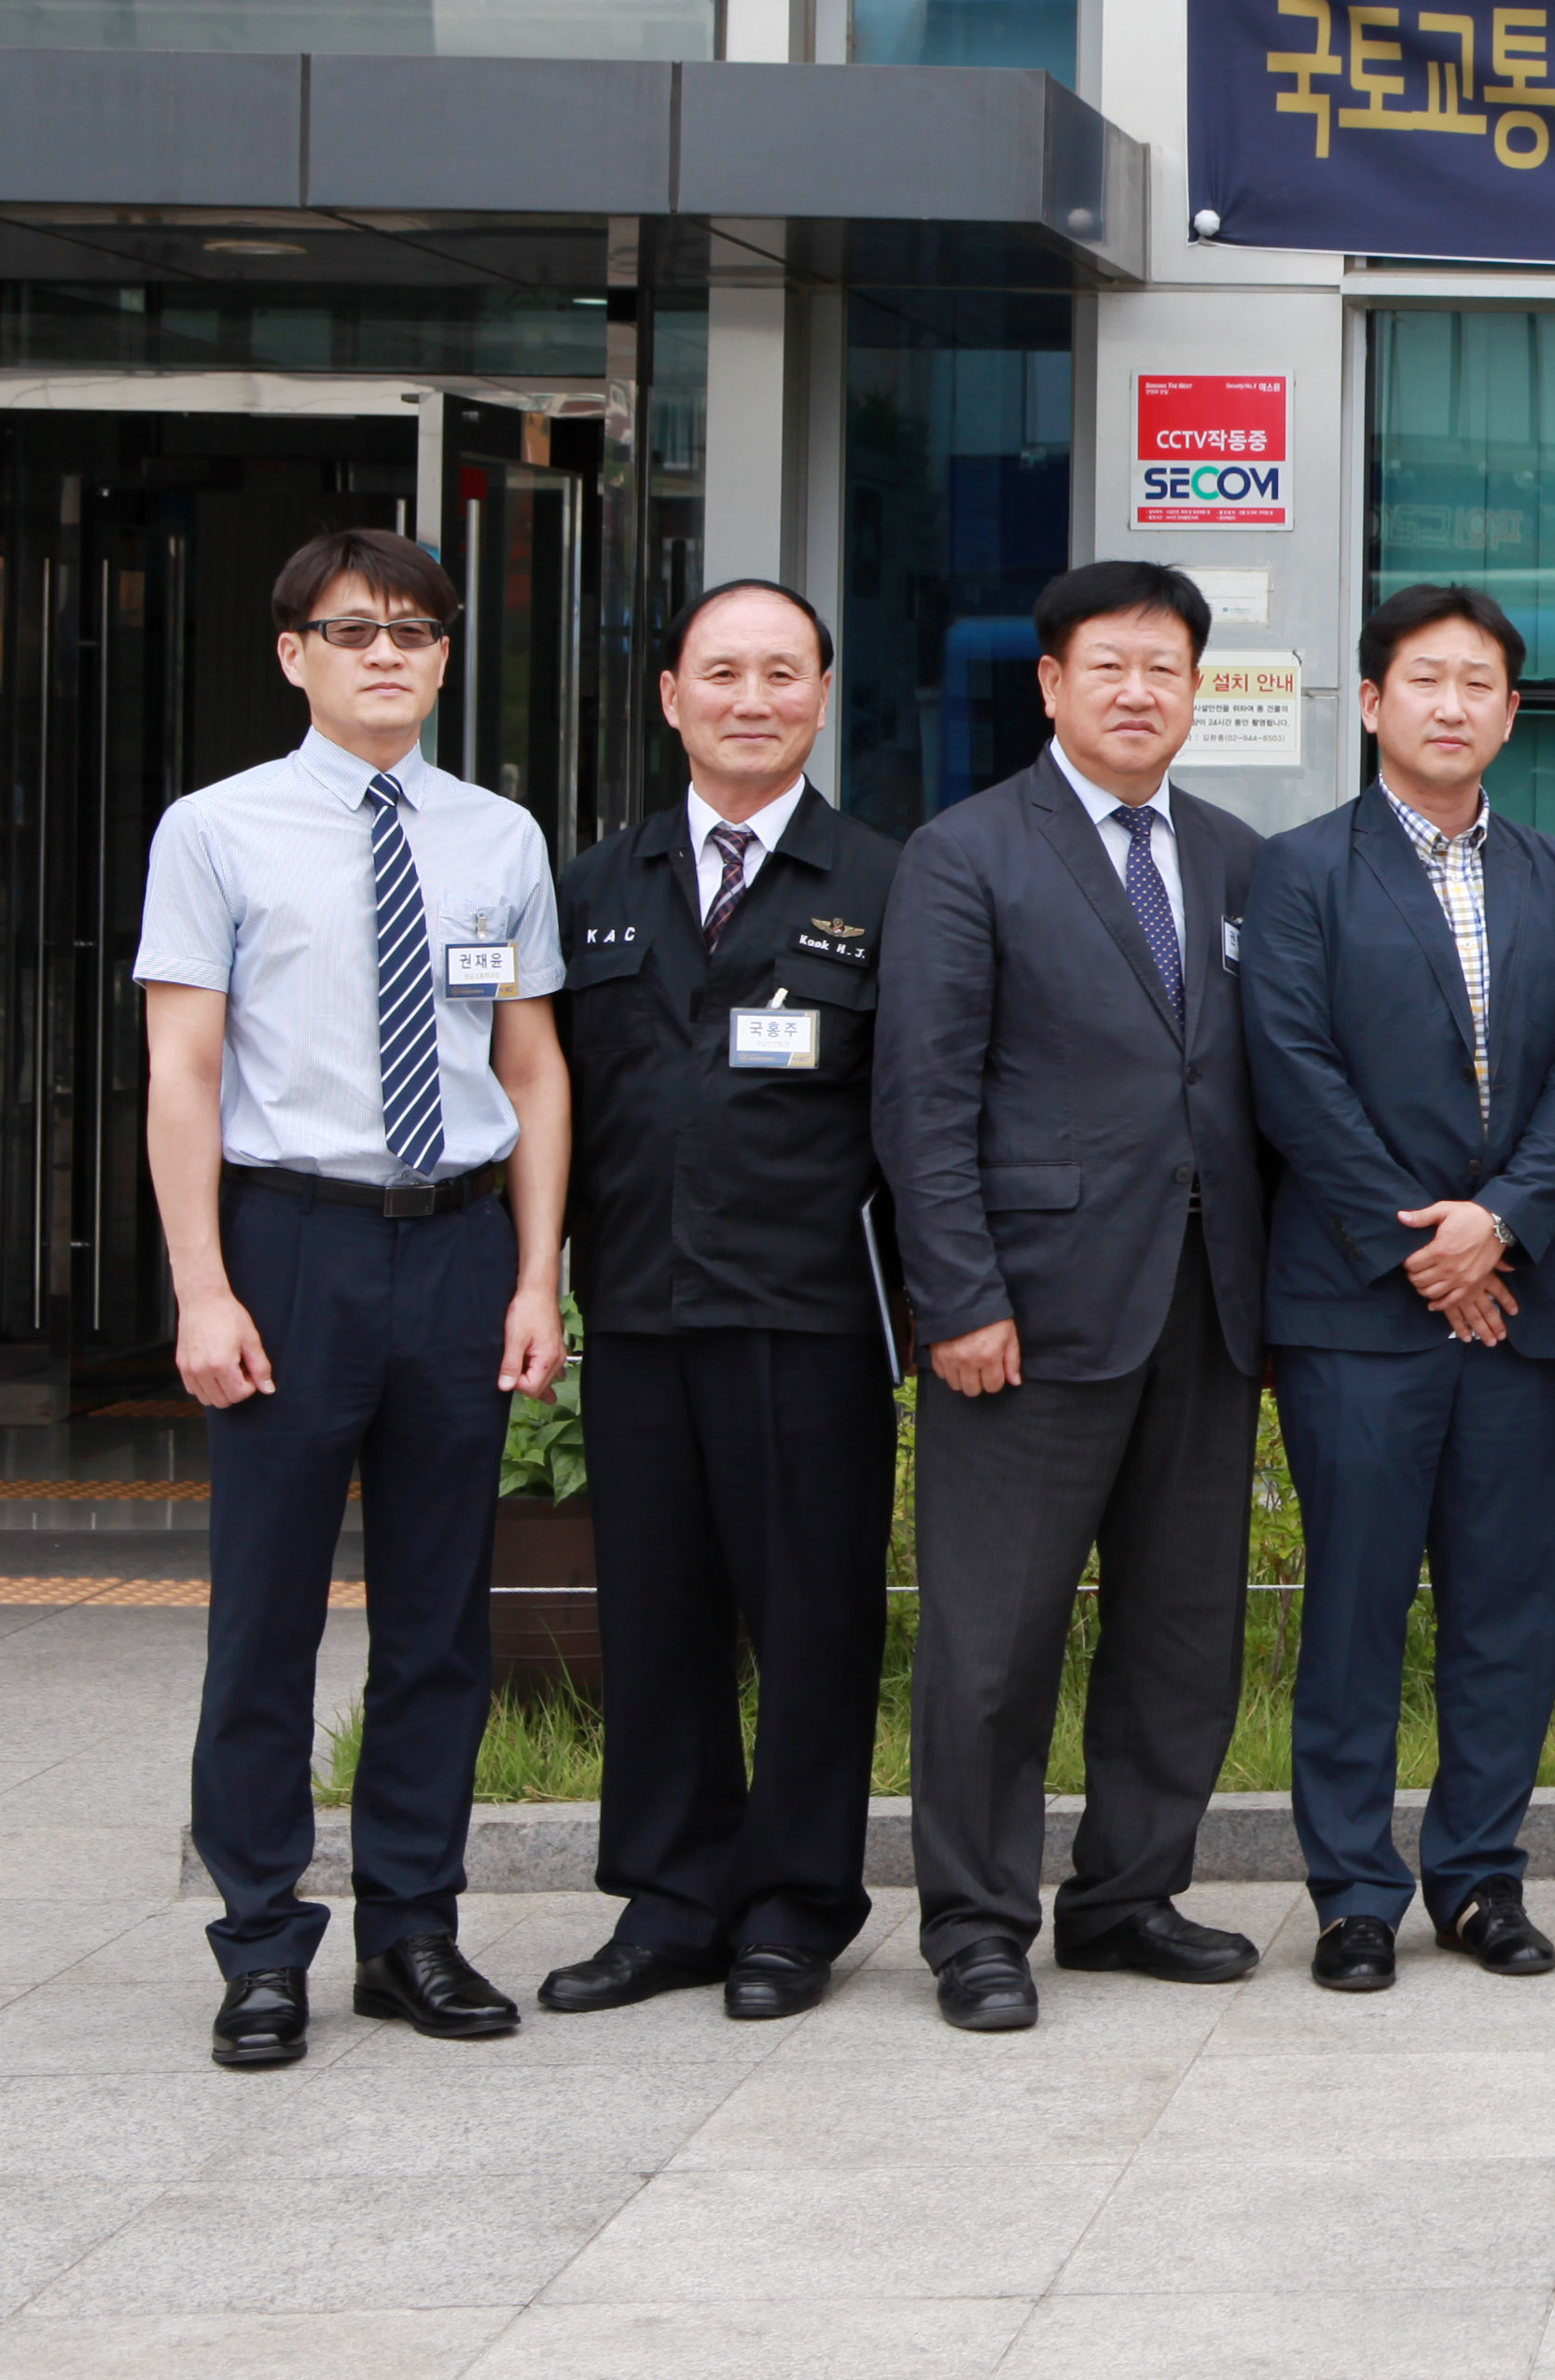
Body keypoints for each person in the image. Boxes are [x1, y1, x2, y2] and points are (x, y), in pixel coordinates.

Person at [135, 528, 571, 2070]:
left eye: (415, 629)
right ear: (292, 653)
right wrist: (203, 1285)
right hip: (289, 1244)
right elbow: (182, 1068)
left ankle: (412, 1930)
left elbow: (529, 1065)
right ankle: (261, 1944)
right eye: (353, 628)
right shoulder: (215, 829)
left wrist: (536, 1275)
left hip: (455, 1245)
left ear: (448, 655)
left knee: (443, 1620)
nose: (388, 653)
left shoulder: (496, 834)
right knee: (261, 1619)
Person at [873, 560, 1270, 2034]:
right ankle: (978, 1921)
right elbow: (923, 1096)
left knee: (1182, 1625)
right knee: (993, 1636)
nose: (1136, 690)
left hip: (1202, 1302)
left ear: (1196, 690)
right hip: (1023, 1317)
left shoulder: (1236, 855)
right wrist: (958, 1294)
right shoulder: (968, 851)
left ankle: (1128, 1893)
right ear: (1049, 682)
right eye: (1107, 664)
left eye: (1165, 666)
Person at [535, 579, 903, 2026]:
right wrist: (535, 1287)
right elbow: (547, 1096)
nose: (750, 698)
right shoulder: (590, 887)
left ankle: (795, 1905)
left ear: (820, 693)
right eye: (720, 671)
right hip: (636, 1310)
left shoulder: (886, 881)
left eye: (780, 672)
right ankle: (673, 1898)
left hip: (810, 1317)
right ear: (671, 694)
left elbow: (919, 1114)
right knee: (655, 1614)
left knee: (813, 1615)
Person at [1243, 584, 1555, 1993]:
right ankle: (1351, 1889)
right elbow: (1292, 1070)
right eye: (1426, 679)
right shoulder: (1298, 871)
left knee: (1508, 1605)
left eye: (1479, 683)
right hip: (1357, 1305)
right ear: (1373, 702)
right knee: (1353, 1603)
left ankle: (1476, 1876)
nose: (1452, 704)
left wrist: (1502, 1225)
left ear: (1511, 713)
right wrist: (1424, 1244)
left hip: (1509, 1299)